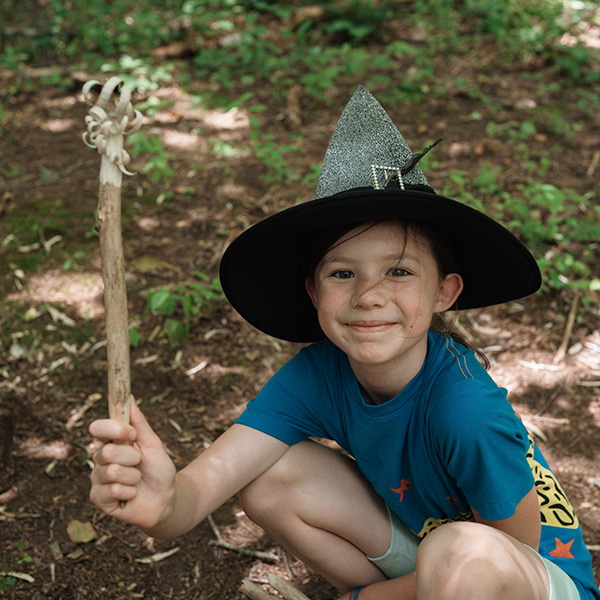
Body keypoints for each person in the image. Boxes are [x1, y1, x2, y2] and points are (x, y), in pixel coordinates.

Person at [89, 86, 599, 600]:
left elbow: (507, 555)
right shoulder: (318, 375)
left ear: (445, 291)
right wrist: (162, 502)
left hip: (528, 581)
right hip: (432, 560)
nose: (369, 296)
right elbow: (198, 492)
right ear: (313, 292)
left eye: (399, 270)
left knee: (459, 549)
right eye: (342, 272)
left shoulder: (464, 408)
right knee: (272, 477)